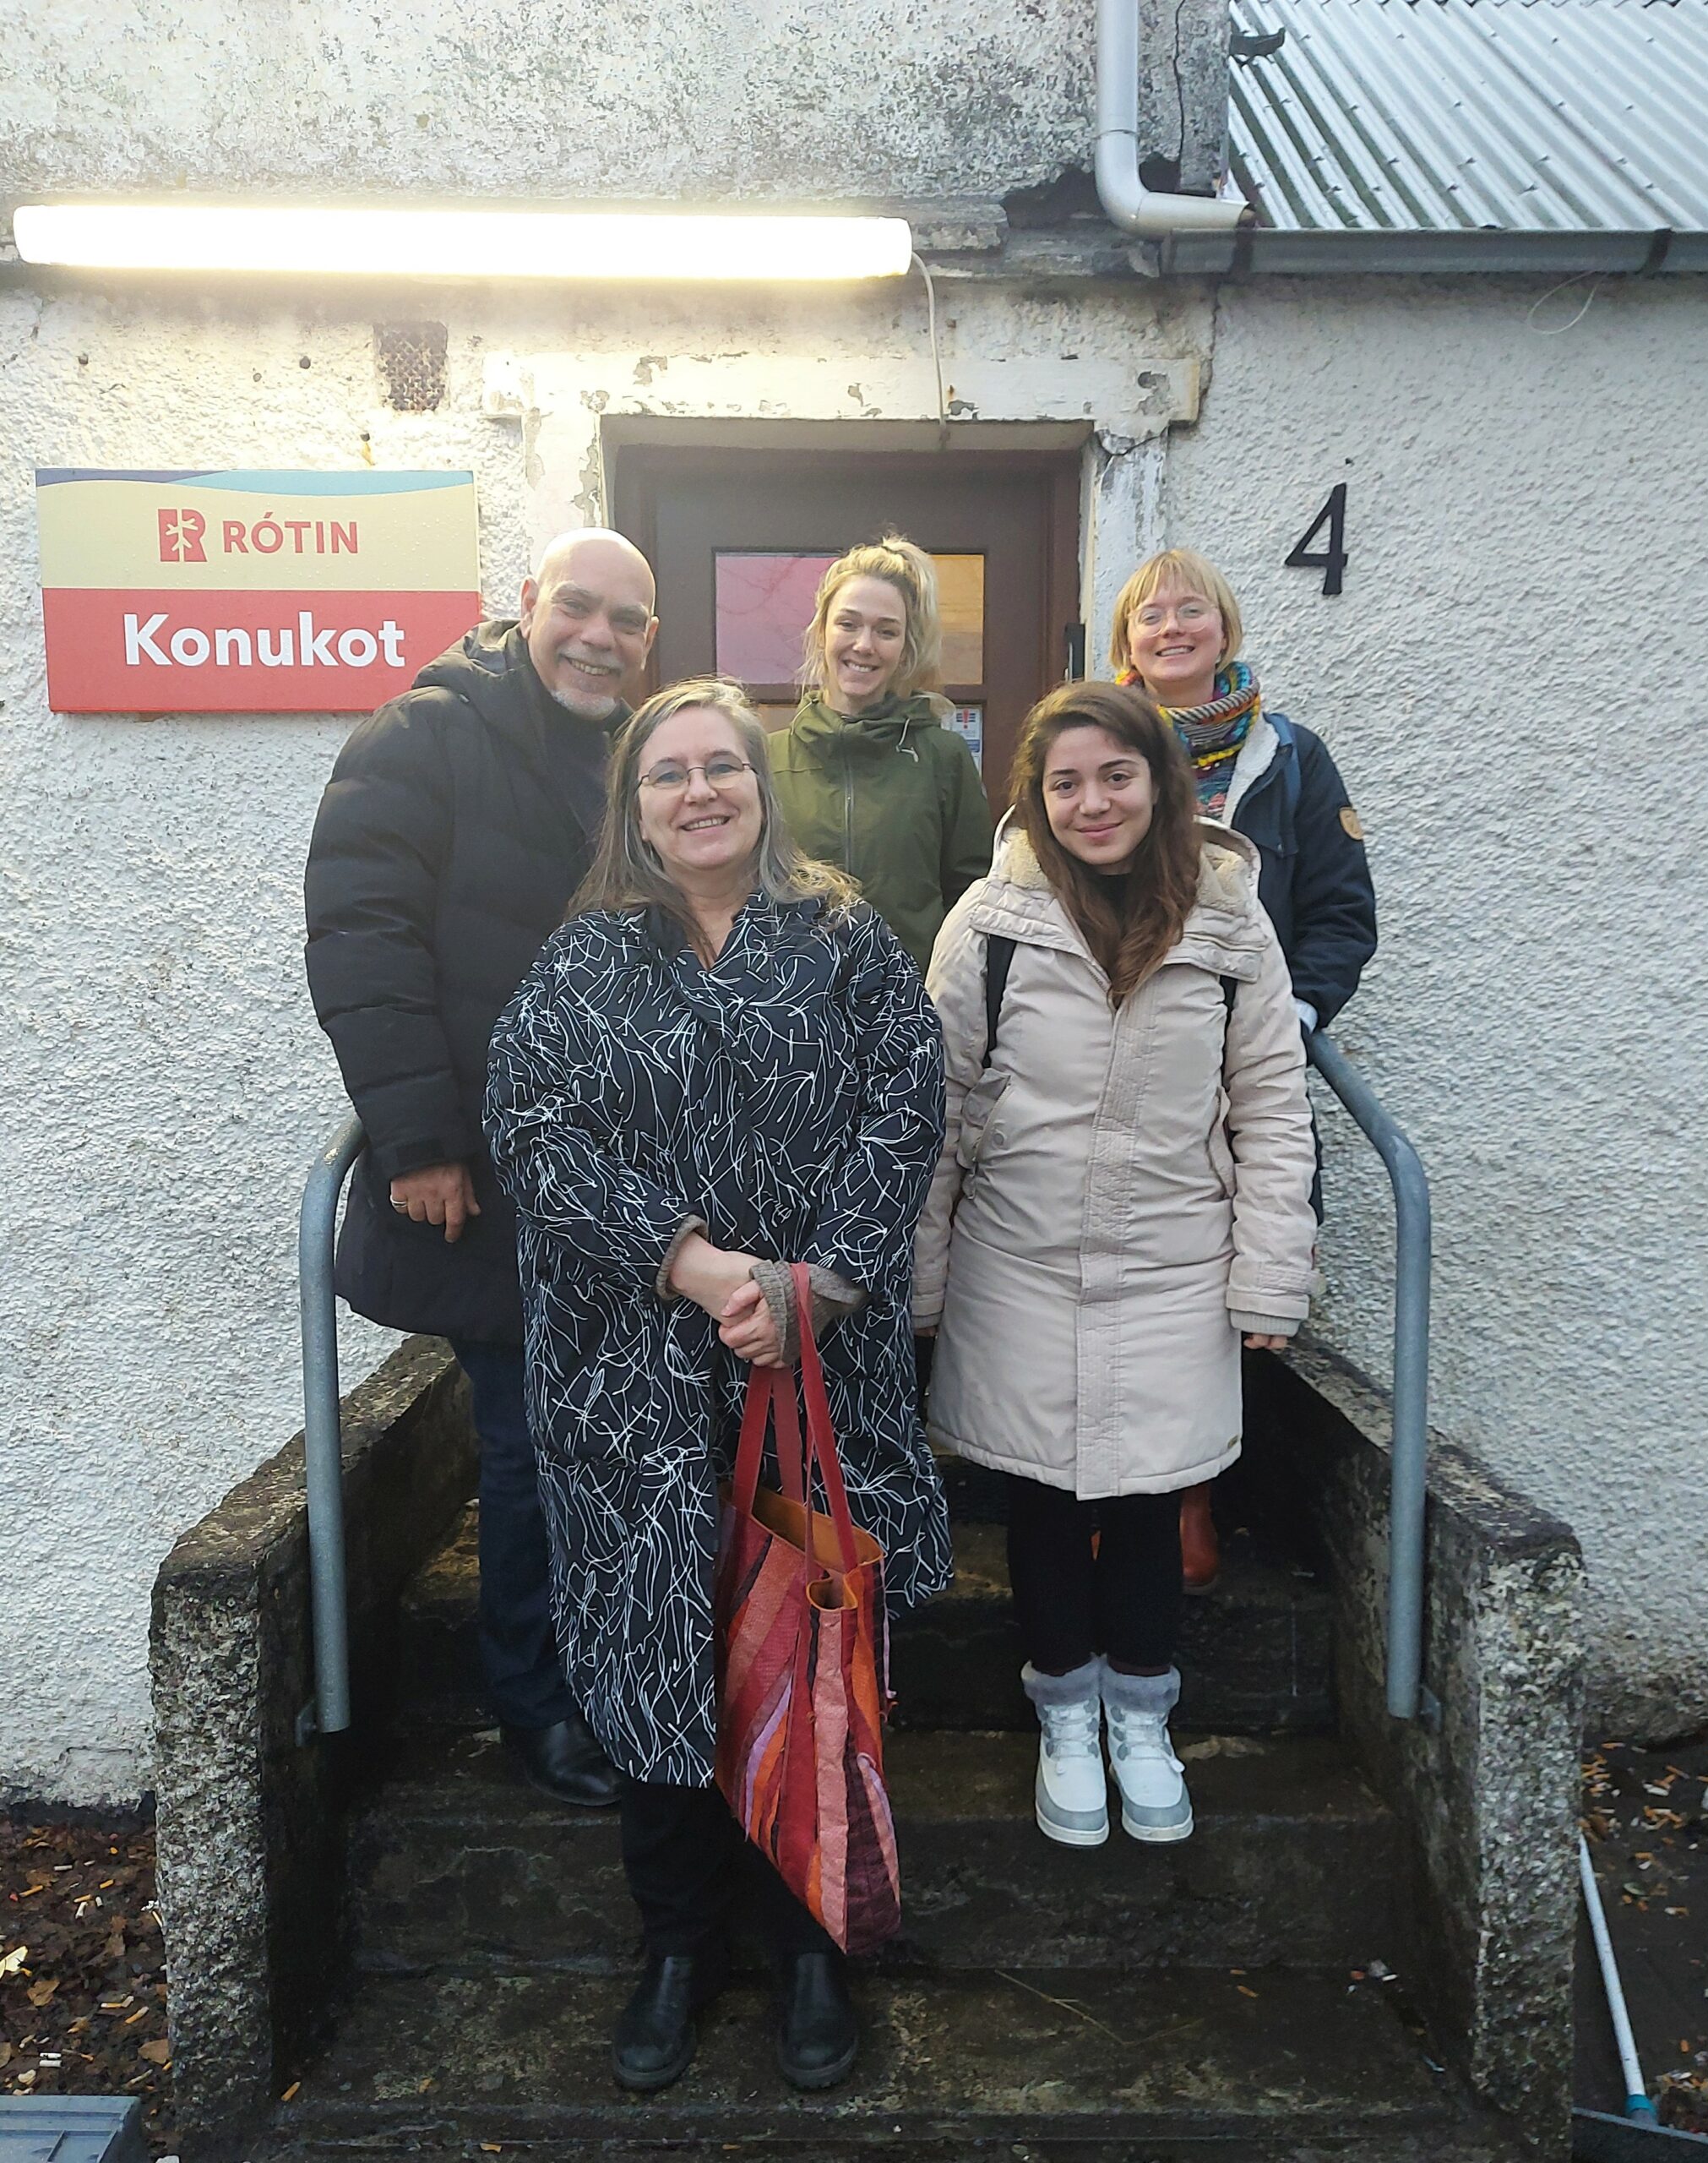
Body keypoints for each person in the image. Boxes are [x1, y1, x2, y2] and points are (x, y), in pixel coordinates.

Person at [482, 678, 952, 2094]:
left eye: (722, 767)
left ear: (761, 785)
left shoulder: (845, 939)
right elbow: (530, 1131)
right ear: (634, 807)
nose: (699, 792)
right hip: (632, 1381)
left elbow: (905, 1108)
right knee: (651, 1650)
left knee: (802, 1650)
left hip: (812, 1371)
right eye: (668, 772)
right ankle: (677, 1945)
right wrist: (688, 1265)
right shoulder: (581, 962)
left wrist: (822, 1284)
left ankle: (808, 1944)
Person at [914, 680, 1315, 1852]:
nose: (1092, 803)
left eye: (1115, 776)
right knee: (1041, 1496)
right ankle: (1062, 1713)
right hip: (1019, 1258)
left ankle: (1140, 1715)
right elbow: (932, 1110)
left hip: (1173, 1260)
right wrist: (921, 1277)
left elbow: (1271, 1106)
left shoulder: (1231, 921)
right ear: (1035, 798)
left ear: (1158, 782)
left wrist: (1268, 1274)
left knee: (1148, 1498)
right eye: (1065, 784)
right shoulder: (989, 922)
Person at [305, 528, 659, 1809]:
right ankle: (537, 1702)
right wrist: (417, 1141)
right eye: (578, 607)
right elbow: (361, 934)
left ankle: (610, 1672)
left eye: (627, 620)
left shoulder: (627, 754)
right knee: (527, 1448)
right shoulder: (424, 733)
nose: (599, 637)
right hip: (484, 1179)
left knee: (604, 1444)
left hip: (611, 1186)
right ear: (525, 605)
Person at [1110, 547, 1377, 1588]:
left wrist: (1294, 1011)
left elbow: (1343, 912)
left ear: (1224, 628)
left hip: (1246, 1067)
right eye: (1149, 615)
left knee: (1230, 1277)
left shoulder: (1290, 757)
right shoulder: (1099, 741)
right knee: (1121, 1267)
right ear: (1126, 639)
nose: (1171, 628)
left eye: (1191, 610)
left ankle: (1195, 1496)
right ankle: (1115, 1491)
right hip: (1125, 1052)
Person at [769, 534, 993, 978]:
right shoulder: (768, 759)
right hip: (793, 1006)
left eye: (886, 631)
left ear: (906, 647)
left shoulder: (942, 757)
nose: (864, 645)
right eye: (848, 624)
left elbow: (973, 901)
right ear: (821, 631)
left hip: (912, 1003)